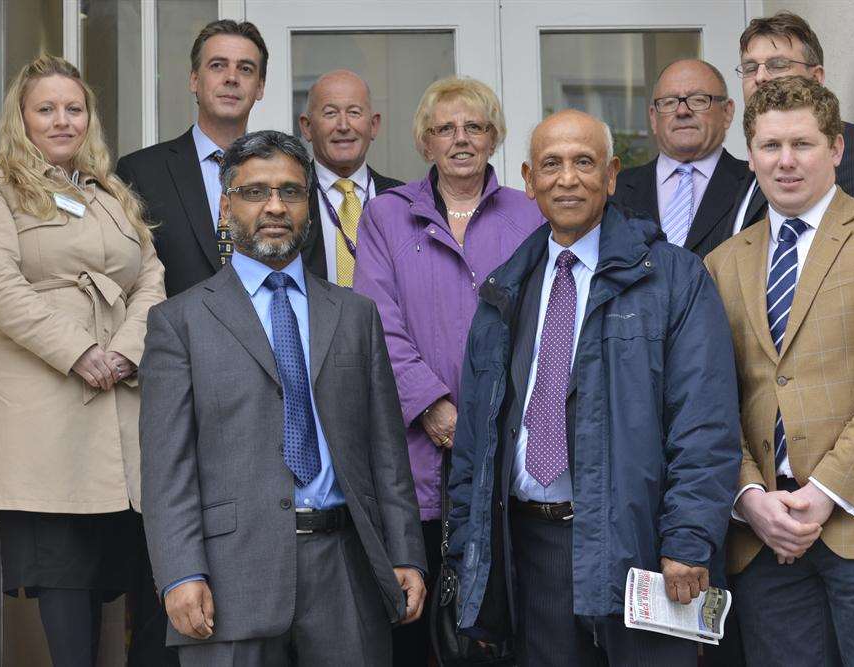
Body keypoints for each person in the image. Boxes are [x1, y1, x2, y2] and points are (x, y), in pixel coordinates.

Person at [446, 109, 741, 667]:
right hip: (535, 550)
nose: (567, 178)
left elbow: (705, 423)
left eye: (584, 162)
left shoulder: (674, 278)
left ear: (611, 176)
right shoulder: (504, 288)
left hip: (642, 549)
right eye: (551, 165)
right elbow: (474, 445)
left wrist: (688, 540)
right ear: (529, 180)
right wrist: (470, 556)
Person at [138, 130, 427, 666]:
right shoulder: (178, 322)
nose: (275, 206)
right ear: (227, 206)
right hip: (228, 578)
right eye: (255, 192)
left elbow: (386, 450)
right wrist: (180, 572)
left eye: (291, 192)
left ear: (309, 207)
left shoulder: (355, 314)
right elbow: (165, 469)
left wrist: (406, 551)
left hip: (347, 570)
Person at [705, 76, 854, 665]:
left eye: (803, 144)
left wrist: (824, 492)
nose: (786, 162)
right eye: (769, 146)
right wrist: (749, 496)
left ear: (836, 148)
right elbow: (710, 399)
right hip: (764, 543)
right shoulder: (721, 263)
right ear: (752, 154)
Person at [0, 55, 165, 666]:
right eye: (45, 108)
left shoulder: (109, 192)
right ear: (21, 118)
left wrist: (126, 352)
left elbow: (151, 277)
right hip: (45, 407)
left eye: (73, 108)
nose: (62, 120)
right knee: (64, 578)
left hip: (119, 402)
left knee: (117, 576)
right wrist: (77, 351)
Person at [353, 75, 544, 665]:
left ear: (494, 139)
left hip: (507, 446)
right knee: (412, 617)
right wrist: (432, 404)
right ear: (424, 142)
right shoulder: (386, 215)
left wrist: (490, 419)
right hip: (411, 452)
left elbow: (542, 327)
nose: (461, 139)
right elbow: (376, 321)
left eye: (475, 127)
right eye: (445, 129)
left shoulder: (530, 213)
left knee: (497, 625)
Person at [117, 19, 268, 297]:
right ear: (194, 80)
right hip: (175, 335)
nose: (231, 77)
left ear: (259, 87)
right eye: (217, 65)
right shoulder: (140, 173)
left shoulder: (282, 174)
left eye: (245, 69)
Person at [731, 10, 854, 233]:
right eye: (750, 67)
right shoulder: (754, 160)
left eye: (777, 64)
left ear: (816, 78)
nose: (760, 77)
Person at [611, 59, 746, 258]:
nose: (682, 111)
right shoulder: (615, 190)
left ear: (727, 112)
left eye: (698, 99)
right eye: (669, 102)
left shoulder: (755, 186)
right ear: (653, 118)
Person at [298, 69, 403, 285]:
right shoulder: (289, 200)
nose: (344, 126)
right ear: (307, 127)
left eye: (354, 113)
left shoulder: (403, 201)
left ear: (373, 125)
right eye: (330, 113)